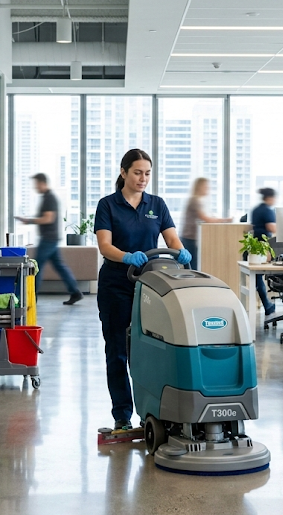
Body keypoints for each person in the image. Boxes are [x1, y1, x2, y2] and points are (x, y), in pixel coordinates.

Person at [94, 149, 191, 430]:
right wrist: (125, 256)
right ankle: (122, 416)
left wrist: (181, 251)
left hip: (149, 286)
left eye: (147, 173)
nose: (143, 178)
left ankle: (152, 411)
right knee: (117, 351)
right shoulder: (108, 205)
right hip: (116, 286)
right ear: (123, 172)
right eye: (137, 172)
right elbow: (105, 245)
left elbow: (172, 238)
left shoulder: (157, 205)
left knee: (149, 349)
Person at [14, 173, 83, 305]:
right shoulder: (47, 197)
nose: (35, 187)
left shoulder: (49, 198)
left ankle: (31, 297)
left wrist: (28, 220)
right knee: (59, 266)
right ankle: (75, 292)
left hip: (48, 239)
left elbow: (48, 218)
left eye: (36, 184)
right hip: (51, 238)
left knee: (36, 266)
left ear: (42, 183)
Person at [179, 177, 230, 271]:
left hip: (192, 238)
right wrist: (225, 220)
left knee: (193, 266)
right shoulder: (195, 200)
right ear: (199, 187)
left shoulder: (199, 201)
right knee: (192, 267)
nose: (207, 189)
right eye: (205, 186)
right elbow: (205, 218)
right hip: (189, 238)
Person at [248, 187, 278, 316]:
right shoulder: (267, 211)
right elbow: (272, 227)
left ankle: (267, 304)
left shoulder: (256, 209)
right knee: (260, 275)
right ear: (270, 198)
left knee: (258, 277)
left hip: (255, 246)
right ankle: (267, 304)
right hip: (264, 246)